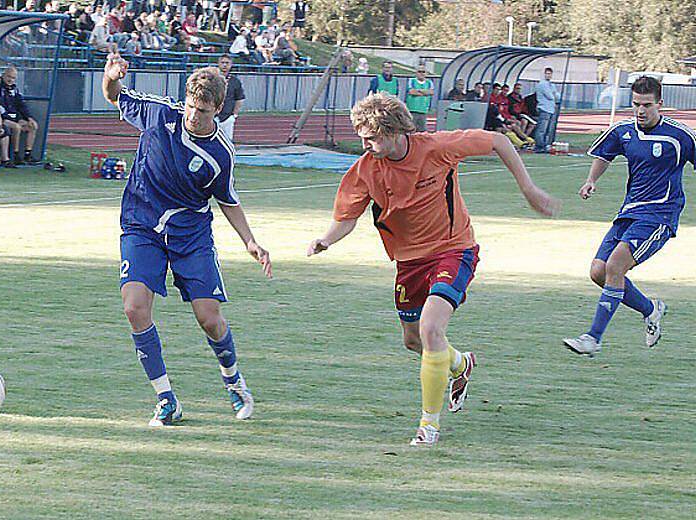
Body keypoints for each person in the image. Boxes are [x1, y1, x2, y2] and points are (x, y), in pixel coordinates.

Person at [307, 93, 560, 447]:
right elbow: (346, 218)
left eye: (373, 137)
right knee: (414, 341)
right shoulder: (365, 169)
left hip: (453, 250)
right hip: (409, 262)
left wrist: (529, 189)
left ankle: (429, 425)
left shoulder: (437, 147)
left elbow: (499, 140)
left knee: (430, 329)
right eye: (362, 137)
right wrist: (326, 240)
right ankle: (459, 364)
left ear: (394, 130)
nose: (365, 145)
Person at [101, 52, 272, 427]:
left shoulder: (219, 154)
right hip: (141, 226)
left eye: (204, 112)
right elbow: (113, 95)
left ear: (218, 109)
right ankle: (166, 399)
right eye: (192, 107)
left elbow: (228, 199)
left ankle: (234, 382)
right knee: (134, 308)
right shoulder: (158, 115)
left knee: (208, 318)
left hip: (189, 235)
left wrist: (250, 242)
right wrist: (112, 77)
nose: (195, 117)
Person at [563, 76, 693, 357]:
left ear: (660, 103)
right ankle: (651, 309)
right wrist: (591, 180)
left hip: (660, 214)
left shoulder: (679, 136)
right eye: (636, 104)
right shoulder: (623, 130)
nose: (641, 111)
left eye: (647, 105)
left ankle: (593, 338)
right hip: (629, 213)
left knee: (615, 265)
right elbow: (604, 155)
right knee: (599, 271)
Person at [0, 66, 39, 165]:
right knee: (16, 127)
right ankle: (15, 154)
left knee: (33, 125)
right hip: (2, 119)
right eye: (9, 76)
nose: (10, 80)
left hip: (15, 118)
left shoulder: (15, 90)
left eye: (13, 78)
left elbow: (22, 105)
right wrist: (8, 117)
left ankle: (27, 154)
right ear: (3, 75)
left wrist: (29, 118)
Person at [216, 54, 244, 140]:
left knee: (227, 141)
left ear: (231, 65)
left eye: (227, 63)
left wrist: (234, 115)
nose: (224, 65)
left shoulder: (235, 81)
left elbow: (239, 99)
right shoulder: (212, 79)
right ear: (218, 64)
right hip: (212, 117)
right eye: (222, 62)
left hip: (227, 117)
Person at [533, 66, 559, 153]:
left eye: (550, 74)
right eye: (547, 73)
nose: (549, 75)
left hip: (550, 109)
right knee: (542, 129)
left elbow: (557, 96)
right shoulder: (542, 84)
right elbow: (550, 96)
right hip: (544, 108)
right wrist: (554, 94)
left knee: (548, 129)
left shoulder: (551, 84)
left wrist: (554, 95)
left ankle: (545, 145)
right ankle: (539, 146)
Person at [405, 65, 434, 132]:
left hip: (423, 111)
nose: (421, 73)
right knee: (411, 130)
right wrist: (425, 92)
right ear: (416, 73)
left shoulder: (429, 82)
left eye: (423, 72)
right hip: (412, 110)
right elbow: (412, 92)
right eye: (419, 71)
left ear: (426, 73)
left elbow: (431, 92)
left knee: (422, 131)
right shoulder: (411, 81)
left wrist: (418, 90)